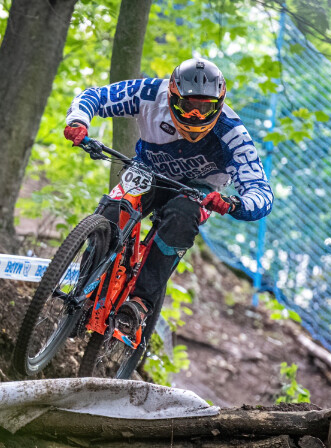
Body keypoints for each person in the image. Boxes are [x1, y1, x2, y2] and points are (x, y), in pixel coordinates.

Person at [61, 57, 274, 331]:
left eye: (204, 108)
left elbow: (261, 191)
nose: (195, 115)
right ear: (172, 96)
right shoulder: (150, 94)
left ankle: (140, 303)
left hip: (200, 190)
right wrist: (78, 121)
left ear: (219, 105)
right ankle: (86, 291)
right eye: (188, 106)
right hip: (147, 171)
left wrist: (234, 203)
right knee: (114, 208)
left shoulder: (233, 134)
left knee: (182, 215)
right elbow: (96, 97)